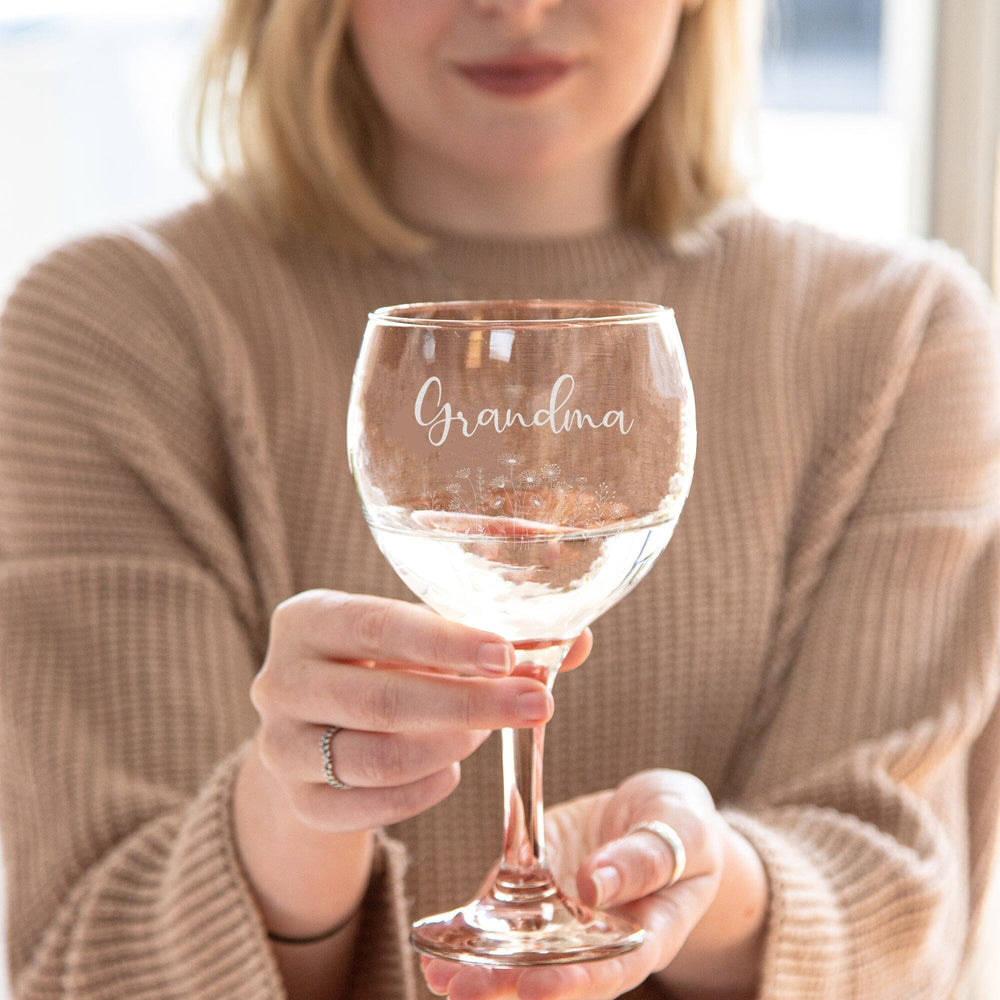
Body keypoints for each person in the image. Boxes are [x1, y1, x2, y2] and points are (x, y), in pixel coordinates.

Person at [1, 0, 998, 998]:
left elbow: (906, 923)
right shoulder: (116, 328)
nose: (517, 9)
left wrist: (698, 885)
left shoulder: (902, 338)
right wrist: (290, 812)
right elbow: (86, 965)